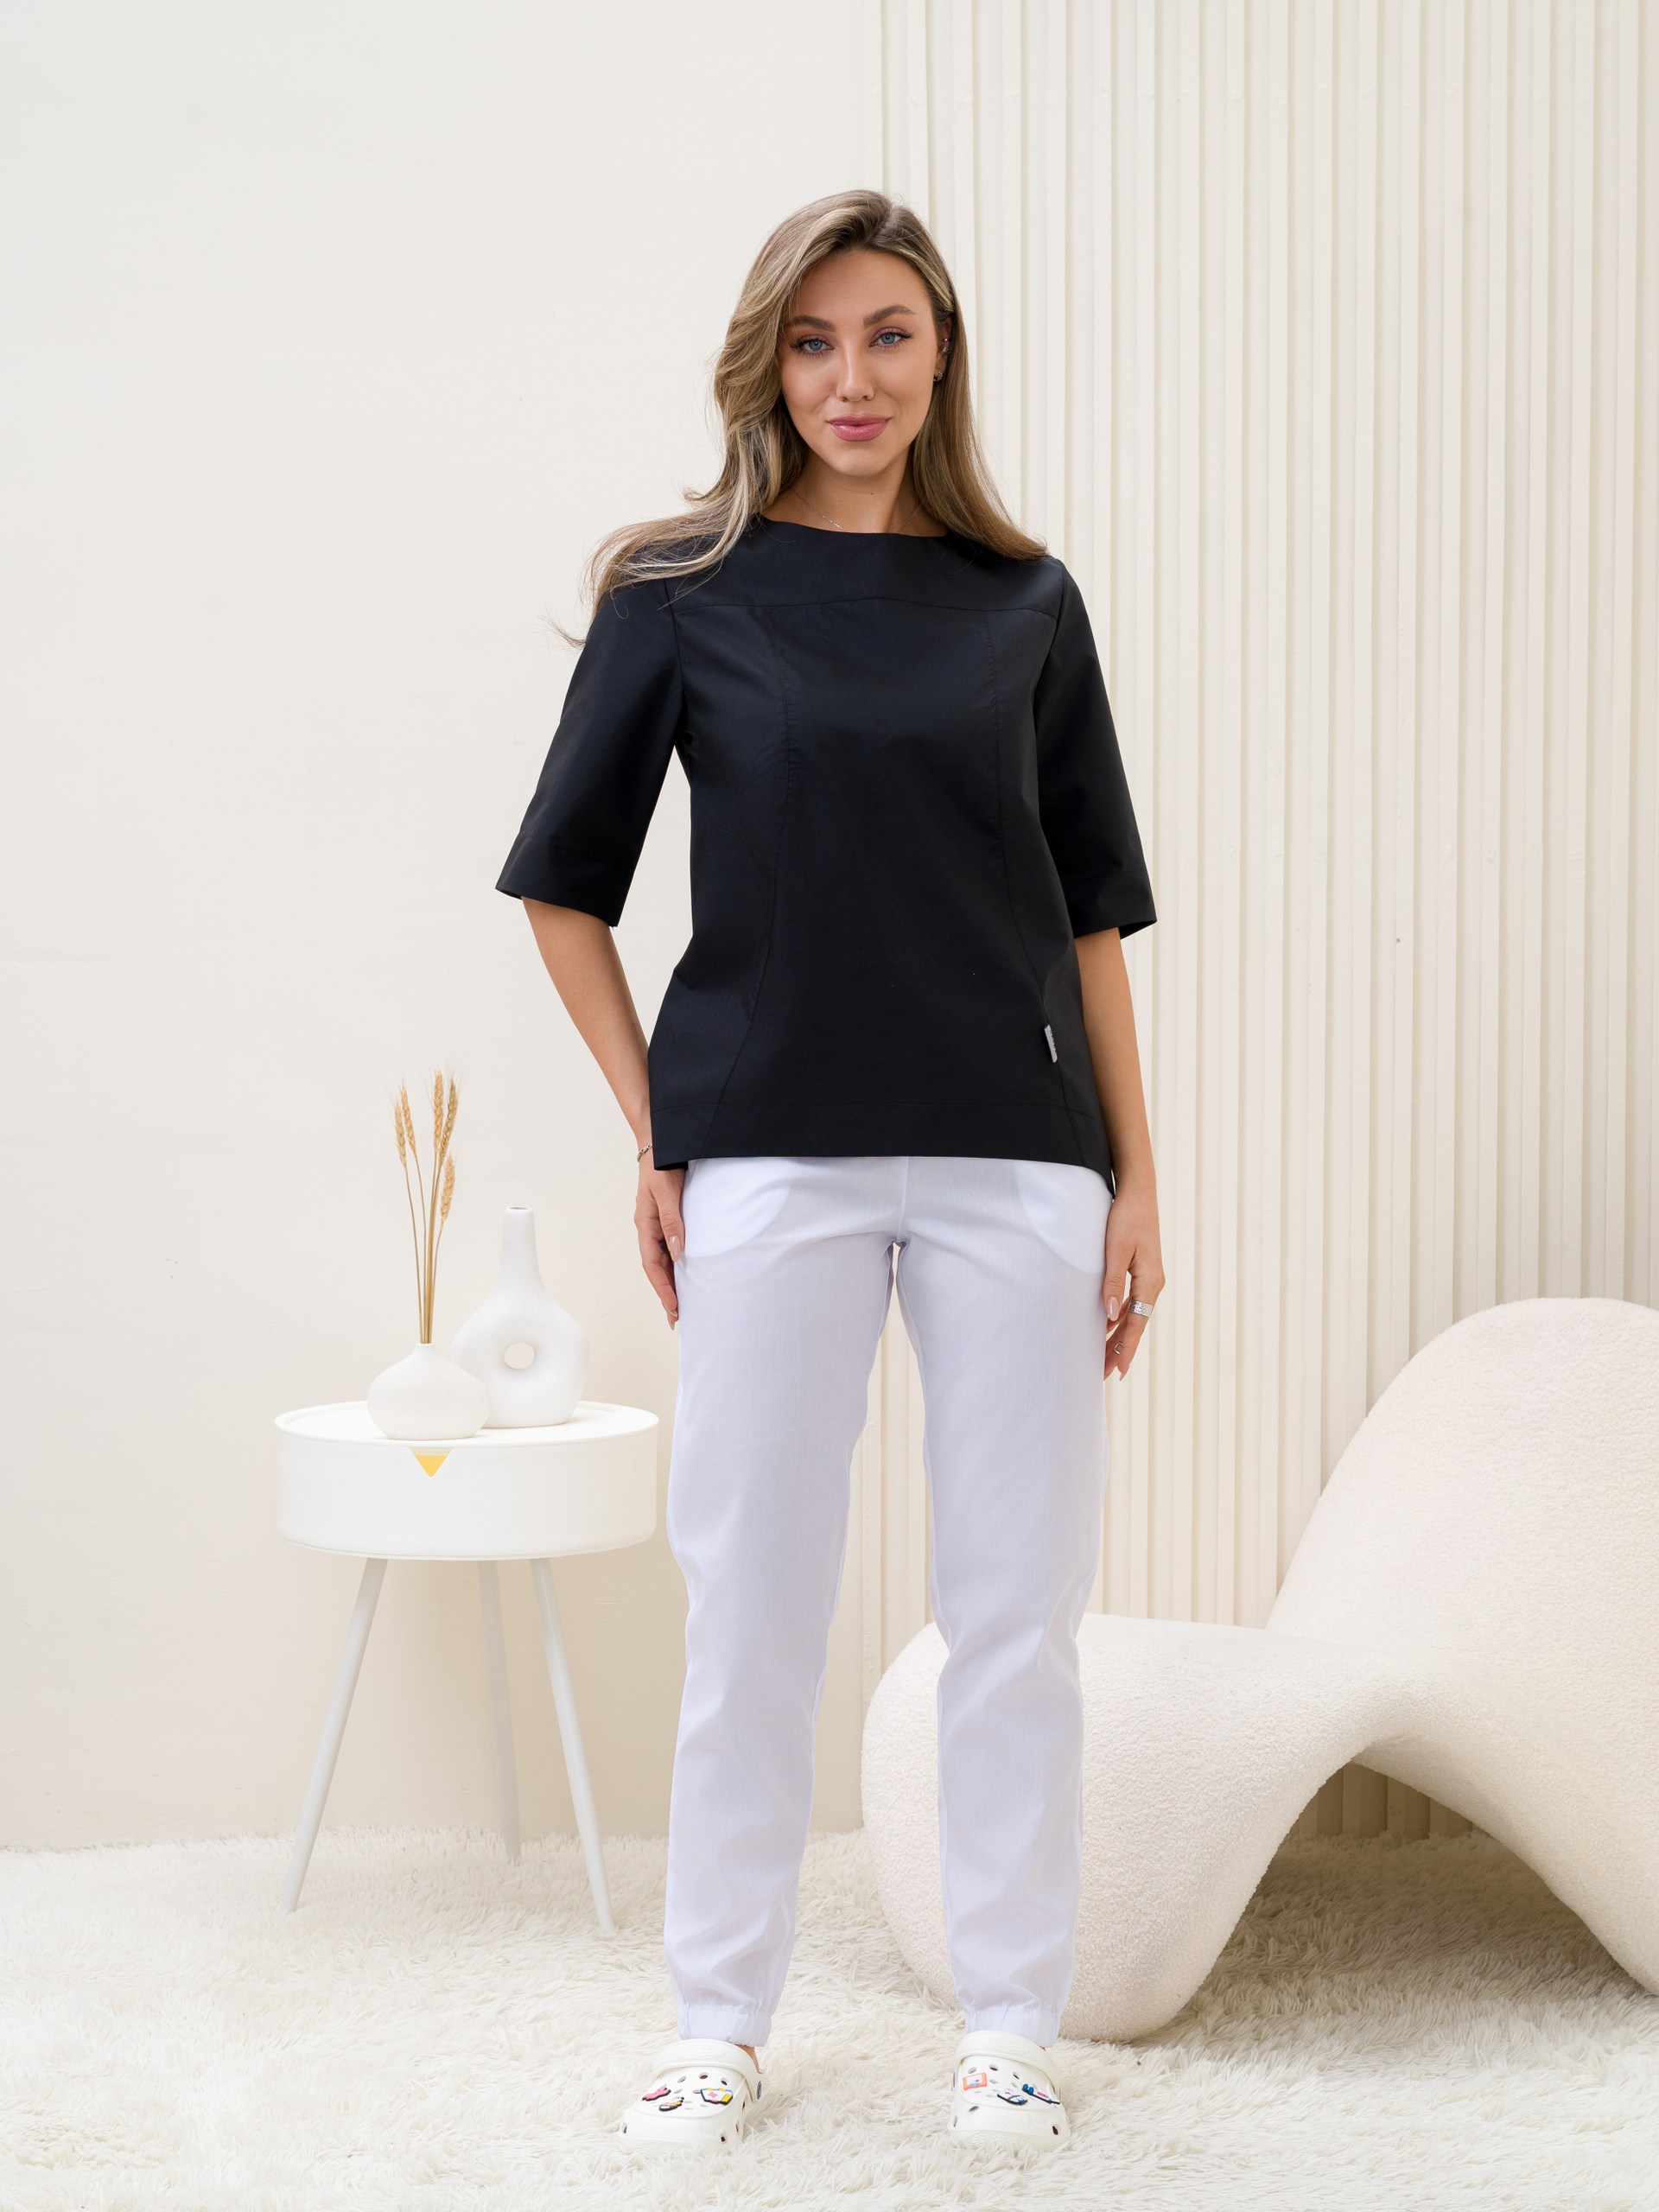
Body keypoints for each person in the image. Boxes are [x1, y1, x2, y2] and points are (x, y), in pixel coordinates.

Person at [495, 188, 1163, 2156]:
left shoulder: (1024, 600)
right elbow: (562, 889)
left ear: (941, 355)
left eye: (886, 335)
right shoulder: (679, 593)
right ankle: (719, 2022)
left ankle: (1010, 2024)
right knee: (753, 1601)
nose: (849, 378)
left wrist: (1138, 1177)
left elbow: (1094, 917)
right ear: (765, 365)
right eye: (811, 341)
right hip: (770, 1157)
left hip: (1018, 1160)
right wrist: (658, 1128)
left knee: (1016, 1611)